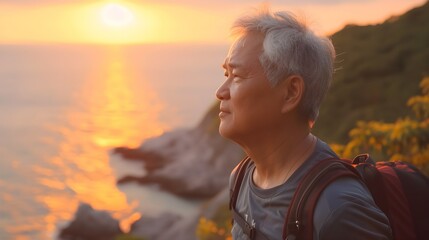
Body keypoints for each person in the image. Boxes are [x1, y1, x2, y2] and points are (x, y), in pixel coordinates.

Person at [215, 6, 392, 240]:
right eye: (226, 75)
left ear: (290, 93)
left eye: (236, 76)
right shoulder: (240, 178)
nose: (220, 92)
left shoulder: (338, 208)